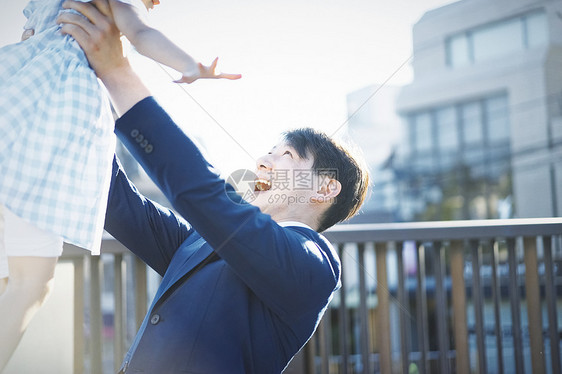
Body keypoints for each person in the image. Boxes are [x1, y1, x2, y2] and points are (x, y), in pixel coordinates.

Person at [59, 0, 370, 372]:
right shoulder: (197, 241)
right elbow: (116, 202)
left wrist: (117, 71)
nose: (262, 161)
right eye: (267, 152)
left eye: (285, 154)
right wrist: (72, 88)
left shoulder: (314, 266)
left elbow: (201, 191)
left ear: (325, 189)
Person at [0, 0, 240, 370]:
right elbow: (142, 35)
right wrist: (192, 67)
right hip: (42, 143)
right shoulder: (112, 4)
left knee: (10, 277)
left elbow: (28, 31)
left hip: (10, 115)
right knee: (31, 282)